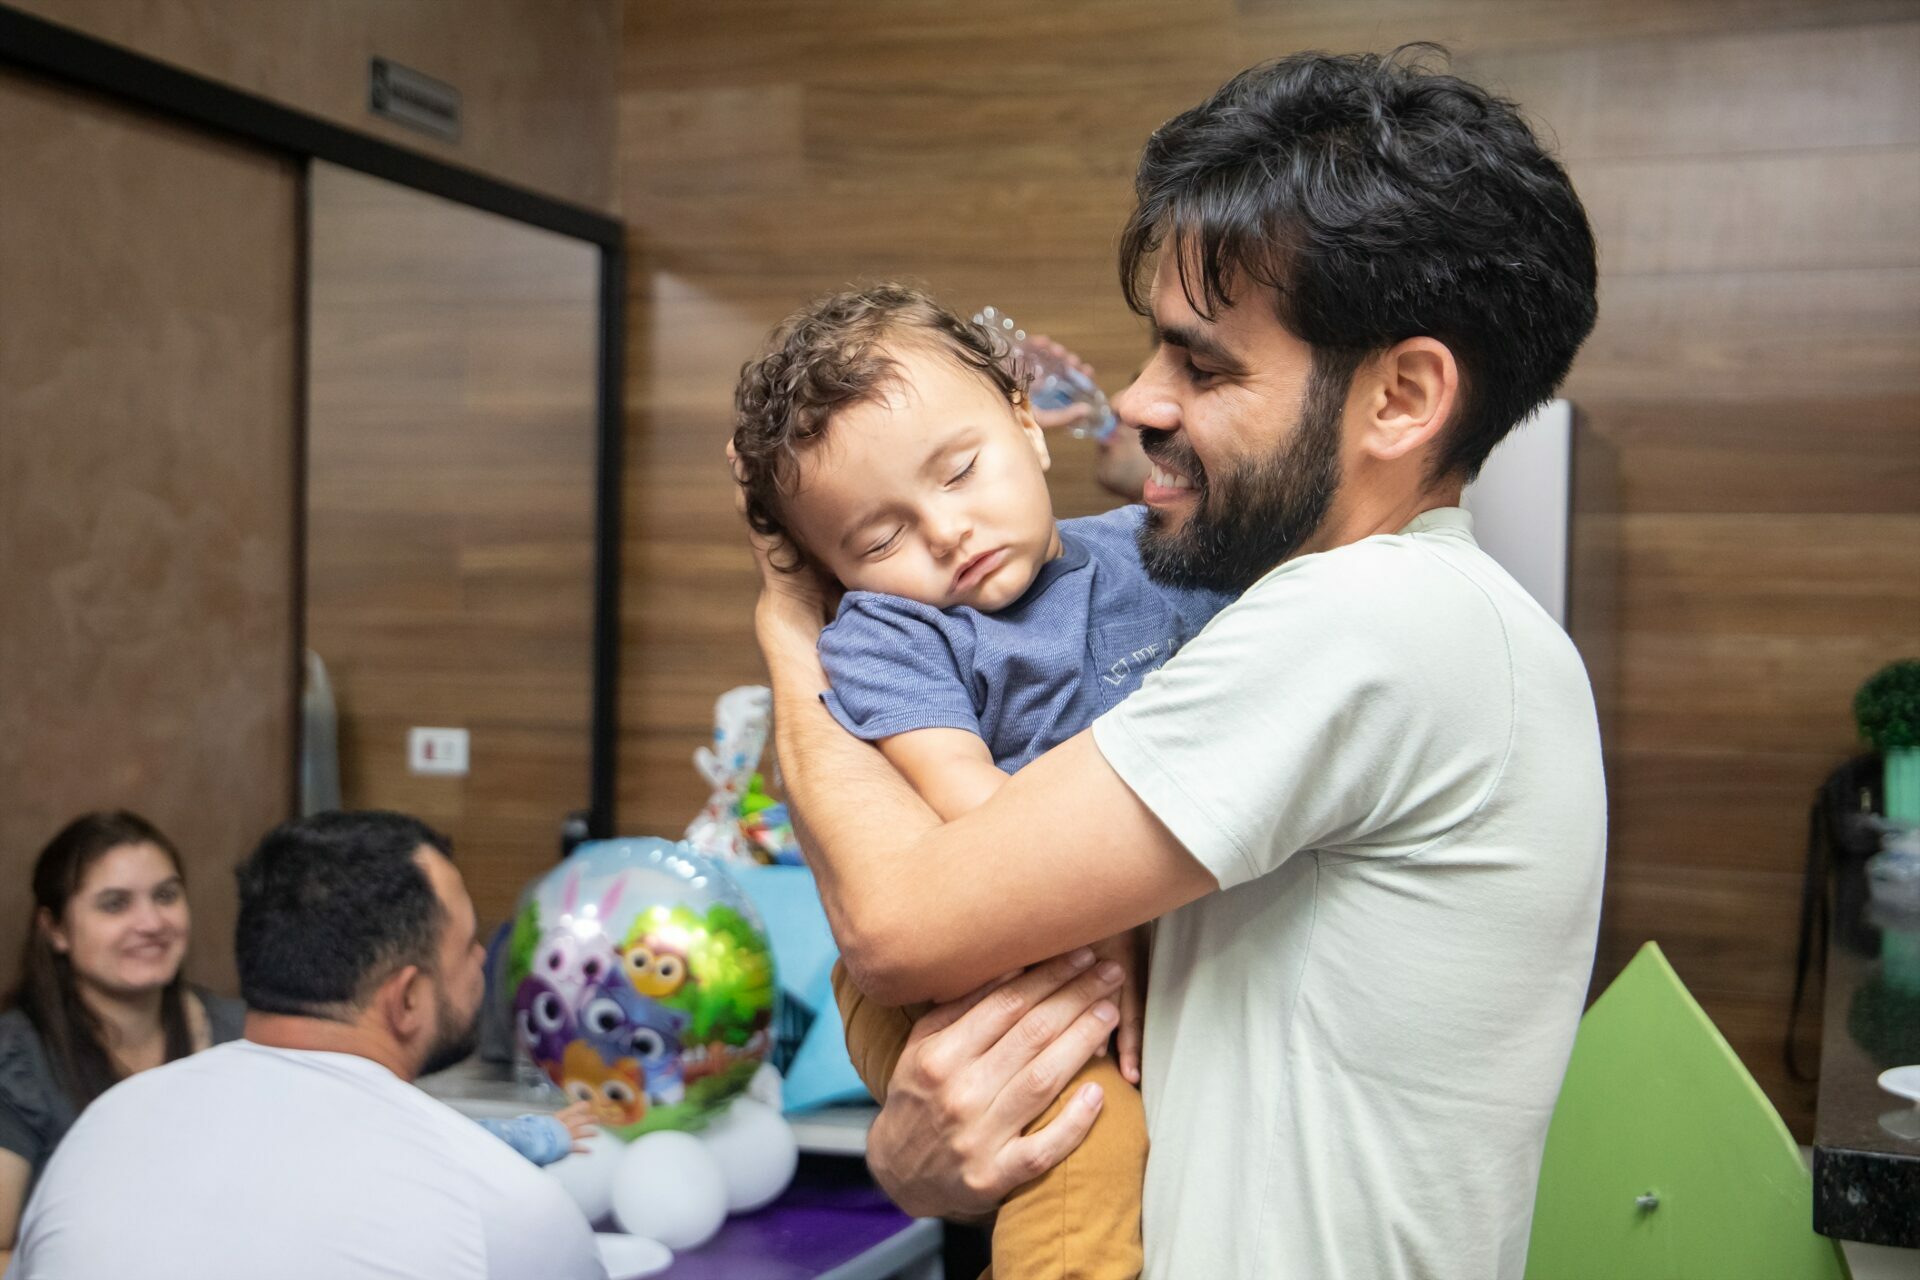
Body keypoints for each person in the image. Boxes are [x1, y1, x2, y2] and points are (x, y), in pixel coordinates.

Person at [742, 48, 1604, 1279]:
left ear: (1403, 397)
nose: (1141, 401)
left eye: (1203, 365)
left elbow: (898, 923)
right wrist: (930, 1157)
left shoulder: (1374, 618)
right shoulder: (1357, 612)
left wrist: (793, 625)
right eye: (1155, 352)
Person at [730, 283, 1232, 1278]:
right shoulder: (891, 630)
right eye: (879, 538)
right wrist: (1112, 917)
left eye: (961, 471)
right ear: (830, 570)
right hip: (958, 965)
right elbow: (963, 799)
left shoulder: (1155, 556)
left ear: (1025, 426)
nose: (947, 530)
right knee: (1085, 1142)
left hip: (1104, 940)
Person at [9, 810, 605, 1280]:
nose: (481, 962)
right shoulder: (503, 1208)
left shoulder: (99, 1131)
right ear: (406, 999)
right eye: (469, 944)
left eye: (165, 896)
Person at [0, 811, 244, 1273]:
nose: (151, 922)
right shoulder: (16, 1060)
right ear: (55, 929)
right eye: (115, 904)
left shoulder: (243, 1035)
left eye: (166, 896)